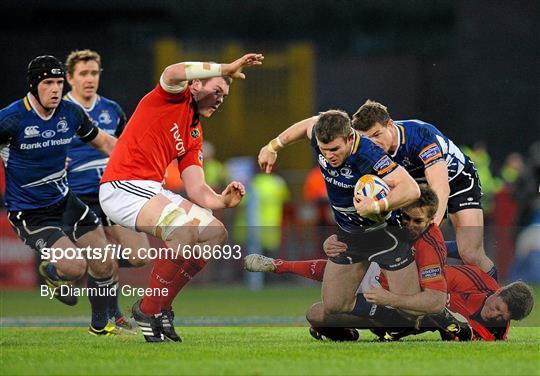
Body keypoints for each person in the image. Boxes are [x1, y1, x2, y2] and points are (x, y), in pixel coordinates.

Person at [99, 53, 264, 342]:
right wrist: (226, 67)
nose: (221, 99)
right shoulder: (171, 96)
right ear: (196, 85)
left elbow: (197, 189)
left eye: (225, 95)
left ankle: (160, 307)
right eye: (217, 90)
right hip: (121, 186)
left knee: (215, 233)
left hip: (150, 189)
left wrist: (222, 201)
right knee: (184, 231)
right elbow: (173, 70)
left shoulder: (194, 130)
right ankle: (148, 310)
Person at [257, 110, 423, 331]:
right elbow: (309, 123)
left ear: (350, 138)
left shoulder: (368, 154)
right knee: (334, 306)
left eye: (335, 149)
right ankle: (387, 321)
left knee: (413, 310)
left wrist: (376, 206)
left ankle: (421, 319)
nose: (328, 156)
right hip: (350, 236)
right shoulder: (321, 135)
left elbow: (411, 189)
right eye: (323, 150)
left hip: (386, 234)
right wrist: (272, 146)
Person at [246, 185, 471, 341]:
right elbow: (332, 270)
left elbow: (434, 300)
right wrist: (281, 264)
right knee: (316, 314)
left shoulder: (427, 243)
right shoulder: (384, 230)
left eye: (418, 221)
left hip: (411, 309)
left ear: (432, 220)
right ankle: (353, 334)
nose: (410, 224)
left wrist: (390, 298)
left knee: (415, 311)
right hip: (380, 305)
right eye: (405, 217)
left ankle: (441, 323)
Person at [0, 55, 119, 336]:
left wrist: (140, 161)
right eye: (47, 83)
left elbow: (104, 142)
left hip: (66, 202)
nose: (55, 88)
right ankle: (53, 273)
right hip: (31, 212)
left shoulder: (71, 113)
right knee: (76, 267)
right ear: (33, 85)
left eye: (58, 82)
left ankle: (101, 328)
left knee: (104, 262)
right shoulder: (12, 118)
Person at [351, 100, 497, 279]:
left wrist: (431, 229)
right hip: (419, 189)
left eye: (377, 135)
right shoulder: (365, 151)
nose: (373, 143)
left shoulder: (418, 135)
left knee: (471, 254)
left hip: (458, 181)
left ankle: (499, 300)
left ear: (389, 125)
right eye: (367, 139)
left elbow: (440, 187)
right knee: (407, 248)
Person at [64, 49, 150, 330]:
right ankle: (110, 318)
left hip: (113, 190)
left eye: (94, 73)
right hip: (79, 196)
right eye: (83, 74)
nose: (90, 79)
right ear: (69, 78)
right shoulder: (59, 112)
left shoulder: (111, 109)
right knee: (104, 263)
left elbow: (125, 148)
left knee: (139, 255)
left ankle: (87, 266)